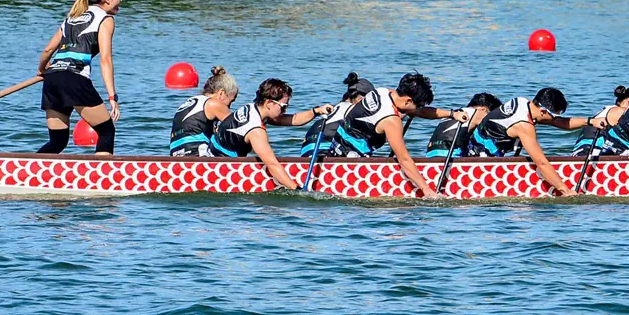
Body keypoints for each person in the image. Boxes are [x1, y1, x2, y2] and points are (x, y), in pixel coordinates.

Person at [307, 72, 465, 199]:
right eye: (418, 105)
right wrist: (426, 190)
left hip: (332, 154)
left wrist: (451, 114)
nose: (418, 109)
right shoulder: (391, 121)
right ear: (408, 101)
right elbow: (404, 160)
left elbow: (418, 112)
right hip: (348, 168)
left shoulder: (383, 92)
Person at [36, 0, 130, 156]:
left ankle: (30, 168)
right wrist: (112, 97)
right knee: (106, 131)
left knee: (58, 141)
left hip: (53, 79)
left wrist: (41, 70)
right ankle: (101, 172)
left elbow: (48, 50)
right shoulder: (105, 19)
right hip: (74, 78)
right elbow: (106, 59)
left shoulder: (71, 18)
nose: (121, 2)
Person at [436, 88, 587, 196]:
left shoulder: (522, 102)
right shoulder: (523, 125)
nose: (555, 119)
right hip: (479, 165)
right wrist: (565, 190)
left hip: (475, 150)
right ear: (543, 111)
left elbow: (560, 122)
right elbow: (541, 163)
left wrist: (589, 121)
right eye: (554, 115)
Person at [205, 78, 338, 190]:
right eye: (283, 107)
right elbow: (272, 165)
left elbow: (295, 119)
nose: (285, 110)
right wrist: (297, 190)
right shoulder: (255, 130)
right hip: (217, 169)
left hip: (212, 158)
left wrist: (316, 111)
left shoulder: (253, 108)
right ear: (269, 103)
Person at [168, 67, 238, 157]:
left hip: (175, 155)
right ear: (221, 93)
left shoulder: (191, 101)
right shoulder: (213, 104)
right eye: (231, 101)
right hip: (197, 155)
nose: (229, 107)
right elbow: (239, 128)